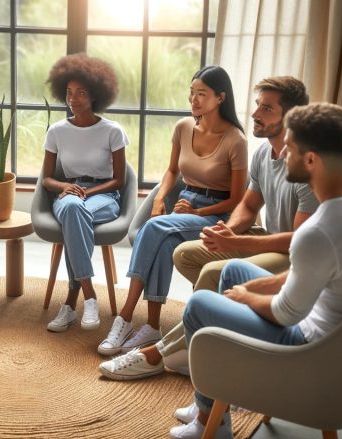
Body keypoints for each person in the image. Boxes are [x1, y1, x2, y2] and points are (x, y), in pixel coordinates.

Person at [168, 103, 342, 439]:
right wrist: (251, 287)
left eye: (290, 147)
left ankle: (210, 422)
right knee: (231, 272)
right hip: (336, 324)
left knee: (199, 306)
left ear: (311, 160)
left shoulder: (320, 232)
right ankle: (214, 399)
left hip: (310, 346)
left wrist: (247, 296)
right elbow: (313, 275)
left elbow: (285, 314)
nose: (282, 153)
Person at [99, 76, 317, 379]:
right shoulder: (262, 154)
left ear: (291, 117)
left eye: (266, 109)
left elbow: (298, 242)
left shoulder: (305, 165)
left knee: (213, 273)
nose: (255, 114)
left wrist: (234, 235)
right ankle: (206, 332)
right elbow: (249, 206)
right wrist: (231, 230)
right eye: (257, 106)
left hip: (292, 255)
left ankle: (161, 351)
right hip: (263, 236)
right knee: (185, 255)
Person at [97, 66, 248, 356]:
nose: (194, 99)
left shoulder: (235, 140)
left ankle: (126, 315)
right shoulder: (183, 128)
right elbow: (171, 171)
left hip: (216, 214)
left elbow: (238, 199)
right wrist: (159, 199)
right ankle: (152, 325)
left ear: (220, 98)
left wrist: (201, 212)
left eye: (202, 94)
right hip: (185, 205)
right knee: (164, 241)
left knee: (153, 228)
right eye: (192, 93)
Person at [42, 53, 129, 332]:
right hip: (69, 193)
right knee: (72, 210)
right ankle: (89, 296)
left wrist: (89, 193)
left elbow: (119, 180)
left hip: (104, 196)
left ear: (95, 95)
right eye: (69, 92)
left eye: (81, 93)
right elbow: (45, 179)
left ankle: (70, 302)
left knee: (73, 213)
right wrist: (65, 187)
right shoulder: (56, 131)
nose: (73, 99)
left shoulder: (112, 131)